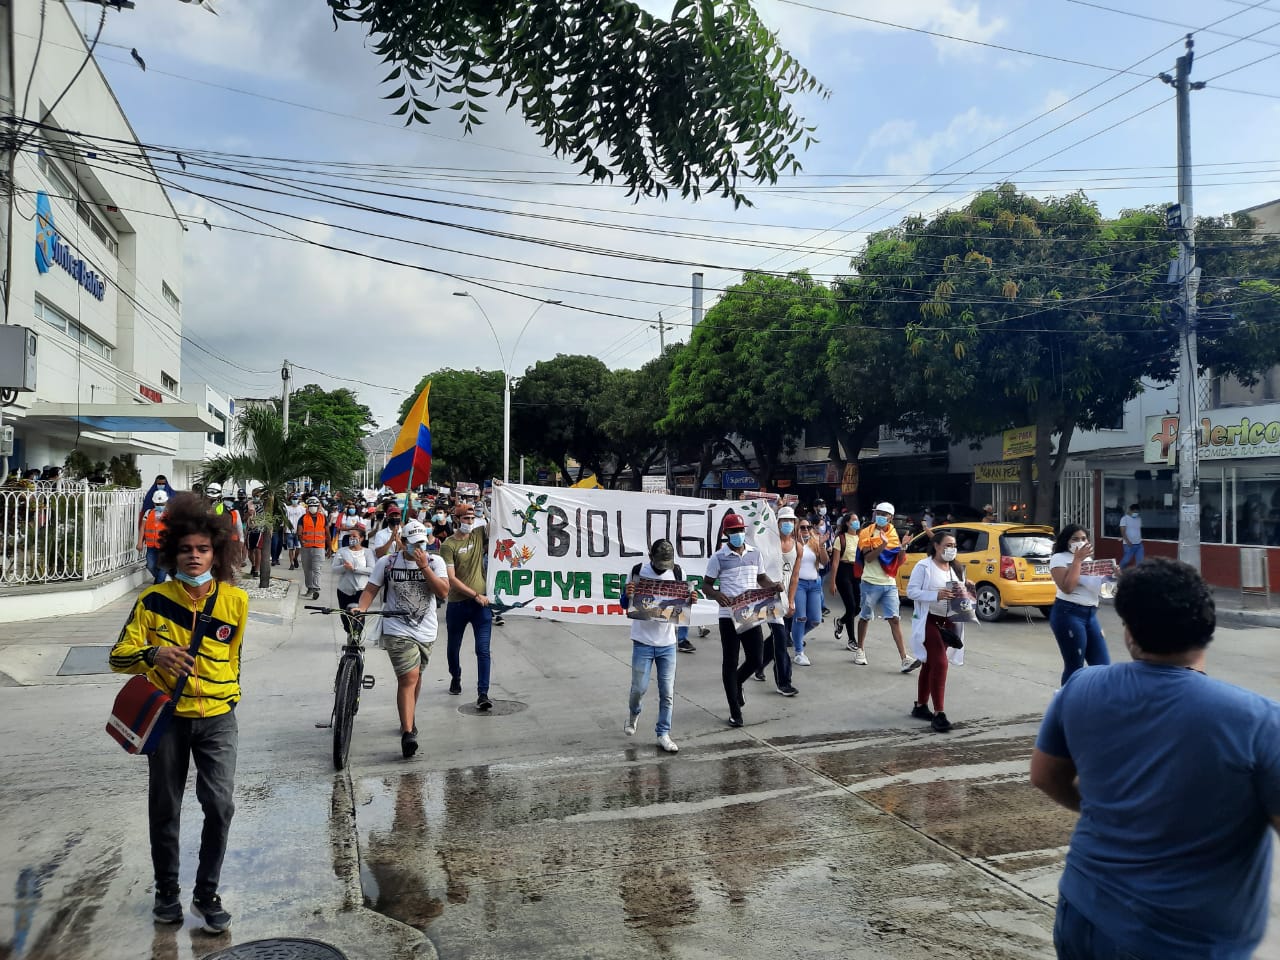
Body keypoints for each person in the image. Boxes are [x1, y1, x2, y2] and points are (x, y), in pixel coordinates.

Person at [1031, 558, 1280, 959]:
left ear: (1129, 634)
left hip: (1083, 916)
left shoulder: (1081, 686)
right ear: (1209, 627)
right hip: (1186, 941)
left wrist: (1113, 811)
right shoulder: (1259, 721)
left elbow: (1045, 775)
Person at [108, 493, 248, 934]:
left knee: (219, 805)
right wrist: (154, 654)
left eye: (202, 549)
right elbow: (118, 656)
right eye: (186, 549)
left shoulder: (236, 602)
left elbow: (234, 658)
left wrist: (227, 697)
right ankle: (166, 891)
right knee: (165, 807)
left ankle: (207, 894)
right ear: (173, 552)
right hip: (169, 718)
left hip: (219, 717)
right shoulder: (152, 600)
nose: (193, 556)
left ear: (216, 553)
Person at [350, 519, 450, 759]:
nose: (419, 549)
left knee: (417, 676)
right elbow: (371, 589)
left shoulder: (435, 562)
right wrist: (361, 609)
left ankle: (409, 717)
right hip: (396, 627)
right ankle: (408, 734)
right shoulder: (388, 562)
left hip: (425, 629)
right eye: (414, 544)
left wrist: (424, 567)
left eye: (423, 544)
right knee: (408, 677)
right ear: (402, 542)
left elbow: (443, 591)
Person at [701, 513, 784, 728]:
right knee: (730, 660)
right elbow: (706, 585)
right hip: (728, 616)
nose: (738, 534)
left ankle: (737, 682)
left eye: (740, 530)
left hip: (750, 613)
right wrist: (717, 595)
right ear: (726, 533)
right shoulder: (718, 557)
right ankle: (735, 712)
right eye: (733, 531)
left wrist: (773, 585)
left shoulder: (755, 554)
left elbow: (761, 578)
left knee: (756, 659)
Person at [620, 539, 690, 753]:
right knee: (638, 688)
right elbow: (624, 605)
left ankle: (663, 733)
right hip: (642, 641)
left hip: (667, 643)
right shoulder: (637, 571)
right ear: (651, 558)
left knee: (667, 692)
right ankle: (634, 713)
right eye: (660, 564)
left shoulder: (677, 572)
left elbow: (682, 607)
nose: (663, 568)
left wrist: (690, 599)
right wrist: (628, 593)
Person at [905, 531, 971, 733]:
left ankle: (920, 705)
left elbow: (959, 594)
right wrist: (936, 595)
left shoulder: (955, 568)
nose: (952, 549)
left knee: (930, 663)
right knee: (940, 663)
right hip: (928, 620)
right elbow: (911, 591)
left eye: (954, 545)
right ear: (936, 545)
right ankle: (939, 713)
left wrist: (967, 587)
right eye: (948, 545)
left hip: (948, 621)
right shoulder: (924, 567)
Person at [440, 502, 494, 711]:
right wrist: (475, 594)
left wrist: (495, 498)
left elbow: (498, 522)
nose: (470, 522)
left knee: (483, 649)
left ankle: (483, 693)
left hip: (481, 606)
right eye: (466, 518)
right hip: (458, 604)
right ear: (457, 519)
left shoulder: (479, 534)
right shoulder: (448, 545)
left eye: (472, 518)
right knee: (454, 647)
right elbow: (451, 579)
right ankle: (456, 675)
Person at [853, 502, 918, 673]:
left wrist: (903, 546)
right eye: (878, 513)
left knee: (894, 619)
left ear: (891, 517)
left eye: (884, 514)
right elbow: (867, 558)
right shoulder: (866, 532)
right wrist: (882, 545)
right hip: (870, 582)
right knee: (865, 617)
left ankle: (904, 658)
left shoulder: (894, 534)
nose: (880, 516)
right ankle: (860, 649)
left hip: (889, 583)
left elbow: (899, 559)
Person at [1048, 524, 1110, 687]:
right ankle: (1066, 703)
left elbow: (1101, 586)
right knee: (1075, 665)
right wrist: (1077, 560)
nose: (1080, 542)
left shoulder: (1088, 559)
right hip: (1068, 613)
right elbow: (1067, 587)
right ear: (1066, 541)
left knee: (1103, 665)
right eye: (1075, 539)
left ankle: (1098, 703)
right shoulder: (1059, 558)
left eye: (1083, 539)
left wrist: (1112, 575)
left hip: (1090, 614)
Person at [766, 509, 800, 696]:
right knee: (780, 638)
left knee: (777, 637)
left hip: (786, 597)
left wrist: (792, 600)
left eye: (790, 520)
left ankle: (757, 665)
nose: (787, 524)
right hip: (770, 597)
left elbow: (795, 576)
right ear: (777, 522)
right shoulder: (769, 544)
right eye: (784, 520)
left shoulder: (798, 547)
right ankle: (784, 682)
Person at [788, 515, 828, 666]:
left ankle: (796, 636)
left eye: (808, 527)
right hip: (799, 584)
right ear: (796, 529)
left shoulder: (815, 541)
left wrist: (822, 546)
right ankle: (799, 652)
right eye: (802, 527)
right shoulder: (791, 544)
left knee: (815, 620)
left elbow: (825, 562)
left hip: (814, 584)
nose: (806, 530)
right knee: (800, 618)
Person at [827, 513, 862, 651]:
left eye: (857, 519)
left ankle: (841, 621)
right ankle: (852, 640)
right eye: (854, 520)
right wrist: (832, 582)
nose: (856, 522)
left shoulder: (860, 538)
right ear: (847, 523)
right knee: (851, 606)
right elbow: (835, 562)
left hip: (857, 572)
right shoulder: (840, 538)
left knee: (858, 607)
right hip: (844, 572)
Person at [333, 528, 373, 638]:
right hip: (344, 590)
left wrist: (355, 568)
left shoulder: (368, 552)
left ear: (361, 538)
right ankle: (349, 633)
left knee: (359, 616)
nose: (352, 538)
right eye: (350, 536)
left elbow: (371, 569)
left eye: (355, 536)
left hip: (362, 590)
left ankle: (357, 635)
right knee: (345, 617)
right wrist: (344, 567)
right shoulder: (342, 551)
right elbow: (334, 569)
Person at [135, 489, 170, 585]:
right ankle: (161, 580)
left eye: (162, 504)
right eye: (157, 504)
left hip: (165, 547)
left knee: (163, 567)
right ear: (154, 503)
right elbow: (142, 527)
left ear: (166, 502)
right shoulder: (148, 513)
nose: (159, 506)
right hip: (151, 546)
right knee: (150, 565)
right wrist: (139, 542)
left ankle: (158, 584)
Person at [298, 496, 328, 601]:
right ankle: (309, 588)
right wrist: (302, 540)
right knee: (307, 569)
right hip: (306, 547)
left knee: (317, 569)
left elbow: (327, 532)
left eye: (314, 505)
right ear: (308, 507)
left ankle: (316, 588)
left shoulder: (323, 517)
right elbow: (299, 532)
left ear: (318, 506)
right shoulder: (303, 518)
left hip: (319, 547)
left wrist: (329, 548)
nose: (313, 507)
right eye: (311, 506)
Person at [1118, 502, 1144, 568]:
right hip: (1129, 544)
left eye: (1137, 512)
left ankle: (1139, 576)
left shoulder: (1139, 519)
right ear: (1130, 510)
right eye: (1135, 512)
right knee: (1126, 560)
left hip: (1139, 544)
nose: (1136, 513)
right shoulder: (1124, 519)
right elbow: (1122, 531)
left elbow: (1138, 530)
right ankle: (1118, 571)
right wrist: (1127, 541)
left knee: (1140, 562)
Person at [284, 494, 305, 570]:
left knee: (298, 547)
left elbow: (304, 520)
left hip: (298, 531)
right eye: (293, 498)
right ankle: (291, 563)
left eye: (296, 498)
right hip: (289, 531)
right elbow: (285, 519)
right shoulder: (288, 508)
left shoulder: (302, 509)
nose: (294, 500)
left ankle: (295, 558)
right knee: (291, 548)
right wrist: (285, 530)